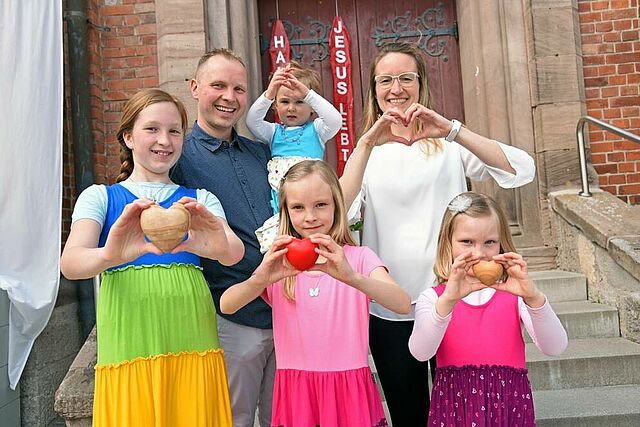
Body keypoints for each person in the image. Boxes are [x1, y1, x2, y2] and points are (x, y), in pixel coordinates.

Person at [339, 41, 537, 425]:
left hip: (454, 298)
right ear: (374, 91)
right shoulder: (369, 154)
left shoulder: (449, 147)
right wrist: (365, 142)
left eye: (405, 78)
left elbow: (521, 169)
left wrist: (452, 130)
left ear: (421, 84)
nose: (396, 88)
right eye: (385, 80)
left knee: (462, 413)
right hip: (391, 309)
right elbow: (340, 214)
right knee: (409, 413)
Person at [60, 88, 244, 426]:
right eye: (152, 129)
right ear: (129, 137)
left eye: (174, 131)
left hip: (192, 336)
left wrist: (200, 242)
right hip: (130, 338)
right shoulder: (100, 197)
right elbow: (71, 263)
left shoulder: (199, 199)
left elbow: (233, 253)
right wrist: (111, 255)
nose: (165, 140)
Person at [220, 160, 411, 427]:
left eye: (321, 205)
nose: (310, 217)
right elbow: (227, 304)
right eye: (298, 207)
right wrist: (261, 278)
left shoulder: (357, 258)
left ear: (336, 205)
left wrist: (352, 277)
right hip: (297, 395)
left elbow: (402, 303)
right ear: (286, 211)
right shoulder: (280, 263)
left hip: (349, 392)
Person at [170, 48, 276, 427]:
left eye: (239, 89)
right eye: (219, 86)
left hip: (285, 311)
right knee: (234, 419)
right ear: (196, 88)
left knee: (283, 418)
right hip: (228, 316)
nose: (229, 97)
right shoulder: (177, 156)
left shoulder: (263, 153)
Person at [409, 192, 568, 425]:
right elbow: (420, 352)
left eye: (489, 242)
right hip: (456, 408)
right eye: (467, 242)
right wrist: (448, 302)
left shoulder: (515, 297)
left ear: (502, 244)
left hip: (508, 406)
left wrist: (533, 297)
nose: (480, 253)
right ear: (447, 243)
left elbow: (556, 346)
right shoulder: (434, 299)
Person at [246, 61, 341, 253]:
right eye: (284, 101)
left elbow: (335, 120)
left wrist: (309, 94)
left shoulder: (317, 130)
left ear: (312, 106)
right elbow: (251, 121)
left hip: (311, 206)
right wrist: (269, 93)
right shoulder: (273, 133)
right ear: (275, 105)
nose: (291, 108)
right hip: (285, 210)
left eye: (300, 102)